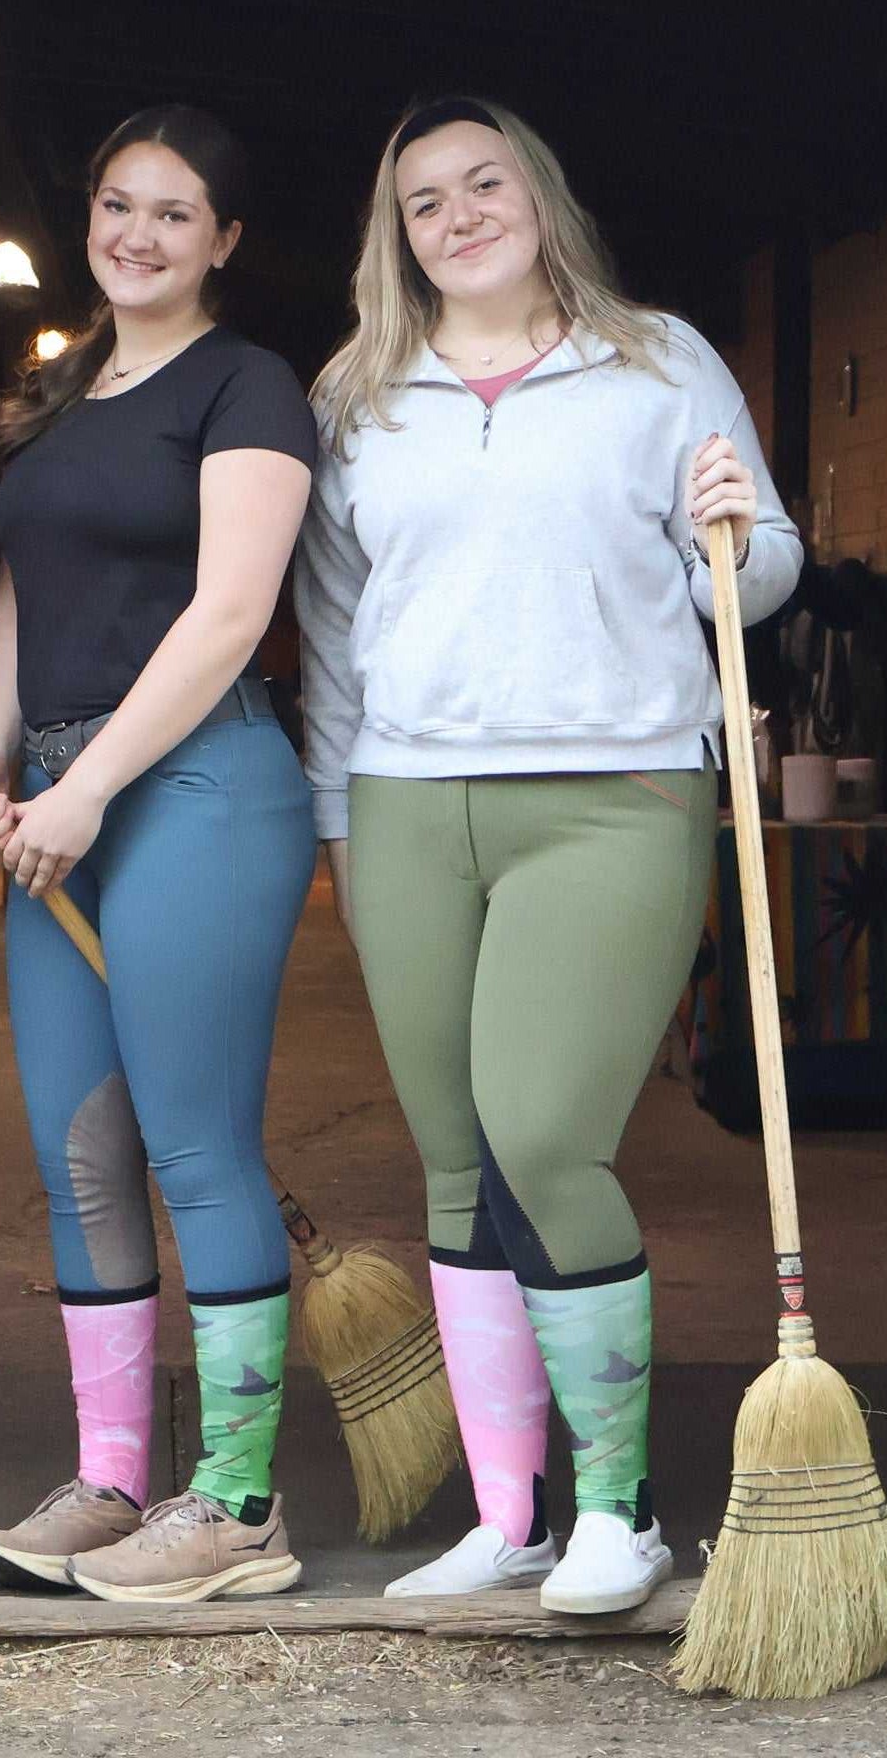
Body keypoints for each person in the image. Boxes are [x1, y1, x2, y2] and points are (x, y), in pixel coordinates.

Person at [295, 97, 802, 1615]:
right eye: (423, 201)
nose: (457, 216)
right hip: (401, 803)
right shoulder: (359, 392)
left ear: (537, 194)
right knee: (453, 1158)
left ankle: (617, 1510)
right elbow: (326, 625)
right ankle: (506, 1517)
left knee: (537, 1135)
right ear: (397, 237)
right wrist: (338, 814)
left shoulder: (655, 360)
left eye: (481, 184)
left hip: (613, 792)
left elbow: (757, 568)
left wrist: (736, 525)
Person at [0, 106, 317, 1603]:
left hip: (199, 783)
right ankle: (112, 1482)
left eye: (175, 213)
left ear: (223, 239)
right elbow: (28, 587)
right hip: (63, 794)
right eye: (115, 205)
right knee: (77, 1147)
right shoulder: (55, 394)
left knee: (189, 1140)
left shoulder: (249, 384)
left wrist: (88, 782)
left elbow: (227, 610)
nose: (137, 235)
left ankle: (234, 1505)